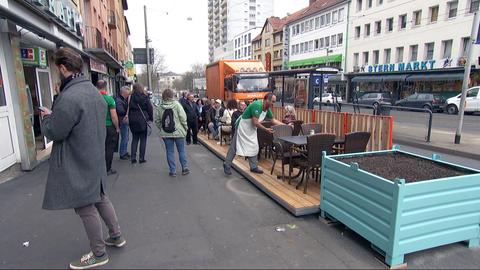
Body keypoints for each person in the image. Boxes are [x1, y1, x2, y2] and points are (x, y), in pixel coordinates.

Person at [40, 48, 125, 270]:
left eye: (56, 68)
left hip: (78, 159)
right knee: (100, 197)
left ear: (63, 68)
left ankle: (99, 253)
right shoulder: (92, 91)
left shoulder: (69, 97)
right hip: (94, 156)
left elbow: (56, 132)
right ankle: (116, 235)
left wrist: (48, 117)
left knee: (85, 206)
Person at [223, 93, 283, 175]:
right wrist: (266, 129)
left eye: (274, 102)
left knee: (254, 146)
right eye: (272, 101)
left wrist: (286, 125)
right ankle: (227, 164)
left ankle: (253, 166)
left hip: (251, 128)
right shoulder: (257, 105)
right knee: (234, 146)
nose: (273, 104)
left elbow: (273, 120)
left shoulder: (267, 108)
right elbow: (255, 122)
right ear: (266, 100)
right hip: (243, 126)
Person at [156, 89, 190, 177]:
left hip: (166, 133)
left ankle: (173, 171)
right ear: (172, 95)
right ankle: (184, 168)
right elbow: (183, 118)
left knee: (169, 152)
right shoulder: (177, 105)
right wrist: (185, 128)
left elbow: (157, 120)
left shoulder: (160, 107)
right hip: (178, 132)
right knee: (181, 151)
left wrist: (162, 128)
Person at [97, 80, 120, 175]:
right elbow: (114, 116)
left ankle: (97, 168)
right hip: (108, 126)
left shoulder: (92, 98)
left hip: (96, 126)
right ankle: (107, 169)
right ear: (105, 87)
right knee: (109, 148)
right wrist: (117, 127)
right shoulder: (109, 99)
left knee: (98, 148)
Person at [128, 83, 153, 164]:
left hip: (132, 119)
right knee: (143, 139)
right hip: (142, 119)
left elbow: (127, 107)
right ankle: (141, 158)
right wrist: (150, 118)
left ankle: (133, 157)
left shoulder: (130, 97)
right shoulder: (145, 97)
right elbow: (150, 108)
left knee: (134, 139)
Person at [115, 86, 130, 160]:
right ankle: (122, 153)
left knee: (126, 138)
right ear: (123, 93)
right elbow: (120, 111)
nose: (128, 95)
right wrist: (127, 111)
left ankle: (124, 151)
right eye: (127, 94)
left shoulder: (121, 99)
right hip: (122, 121)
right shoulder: (118, 100)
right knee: (124, 138)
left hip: (123, 120)